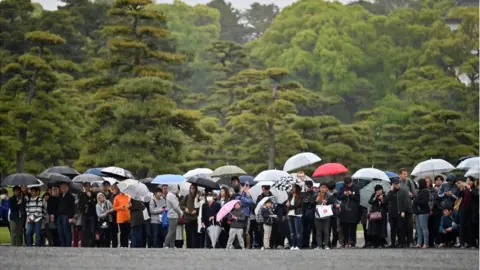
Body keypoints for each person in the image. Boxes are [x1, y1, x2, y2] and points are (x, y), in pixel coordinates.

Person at [338, 177, 360, 248]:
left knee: (353, 226)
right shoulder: (342, 188)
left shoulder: (356, 188)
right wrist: (344, 194)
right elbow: (339, 197)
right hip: (345, 209)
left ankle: (353, 242)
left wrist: (351, 194)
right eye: (347, 184)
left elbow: (358, 198)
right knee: (345, 226)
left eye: (350, 184)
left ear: (351, 182)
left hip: (353, 209)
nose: (349, 185)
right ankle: (346, 242)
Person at [231, 184, 254, 248]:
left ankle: (241, 245)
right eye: (241, 187)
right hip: (244, 216)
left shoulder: (237, 196)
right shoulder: (240, 197)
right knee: (245, 231)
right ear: (240, 189)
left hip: (239, 215)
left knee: (241, 230)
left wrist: (246, 193)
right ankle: (246, 246)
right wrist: (248, 195)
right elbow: (250, 202)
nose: (243, 188)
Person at [314, 182, 334, 250]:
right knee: (318, 231)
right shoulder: (316, 195)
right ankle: (319, 245)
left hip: (326, 215)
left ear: (327, 189)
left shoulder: (329, 196)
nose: (323, 189)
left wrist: (327, 202)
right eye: (321, 187)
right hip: (318, 215)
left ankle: (326, 245)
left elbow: (332, 203)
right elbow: (311, 204)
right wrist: (316, 200)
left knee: (326, 231)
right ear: (319, 188)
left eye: (324, 187)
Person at [398, 168, 414, 247]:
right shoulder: (397, 182)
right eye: (404, 174)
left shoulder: (409, 182)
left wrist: (411, 195)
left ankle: (410, 241)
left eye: (406, 174)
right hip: (400, 207)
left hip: (408, 206)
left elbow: (414, 193)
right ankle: (402, 242)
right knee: (401, 225)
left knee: (409, 225)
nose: (405, 176)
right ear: (400, 174)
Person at [181, 184, 201, 249]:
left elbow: (200, 206)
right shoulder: (187, 196)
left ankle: (195, 247)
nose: (192, 189)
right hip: (187, 218)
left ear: (196, 189)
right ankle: (189, 247)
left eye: (193, 188)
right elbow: (181, 205)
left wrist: (196, 210)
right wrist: (185, 208)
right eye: (191, 188)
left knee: (195, 234)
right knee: (188, 234)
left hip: (195, 218)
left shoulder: (198, 197)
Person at [78, 182, 97, 247]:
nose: (87, 187)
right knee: (84, 229)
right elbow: (80, 204)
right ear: (84, 187)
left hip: (92, 214)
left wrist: (90, 198)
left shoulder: (93, 194)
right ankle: (84, 244)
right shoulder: (81, 194)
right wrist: (83, 209)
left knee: (92, 230)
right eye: (86, 186)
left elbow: (95, 203)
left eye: (88, 186)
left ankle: (92, 244)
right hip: (85, 214)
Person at [164, 184, 183, 249]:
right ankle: (166, 244)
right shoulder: (171, 195)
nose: (178, 190)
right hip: (173, 215)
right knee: (171, 231)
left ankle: (172, 245)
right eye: (177, 188)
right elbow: (175, 206)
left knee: (173, 231)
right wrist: (180, 212)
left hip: (172, 215)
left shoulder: (171, 195)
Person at [57, 182, 75, 247]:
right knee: (60, 231)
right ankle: (62, 245)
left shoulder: (70, 196)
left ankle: (68, 245)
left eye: (64, 187)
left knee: (66, 231)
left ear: (68, 187)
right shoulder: (60, 195)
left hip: (66, 215)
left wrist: (71, 217)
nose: (63, 188)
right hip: (60, 215)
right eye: (62, 187)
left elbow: (72, 207)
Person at [414, 179, 430, 248]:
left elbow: (425, 201)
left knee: (424, 227)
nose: (418, 185)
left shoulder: (425, 191)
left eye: (419, 183)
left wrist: (416, 201)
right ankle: (419, 243)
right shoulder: (419, 191)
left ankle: (425, 243)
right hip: (418, 211)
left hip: (423, 211)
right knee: (418, 228)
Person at [287, 184, 303, 250]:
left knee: (297, 231)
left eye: (294, 187)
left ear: (297, 188)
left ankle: (298, 245)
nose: (292, 188)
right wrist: (288, 205)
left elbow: (298, 204)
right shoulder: (290, 195)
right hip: (290, 214)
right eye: (292, 187)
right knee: (292, 231)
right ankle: (293, 245)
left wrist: (290, 206)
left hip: (297, 214)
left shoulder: (300, 195)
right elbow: (288, 204)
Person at [456, 178, 472, 248]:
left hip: (470, 209)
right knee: (461, 225)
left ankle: (470, 242)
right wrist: (461, 188)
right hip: (462, 208)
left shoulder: (472, 189)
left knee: (469, 225)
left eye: (469, 180)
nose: (468, 182)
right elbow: (459, 196)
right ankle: (461, 242)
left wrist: (470, 189)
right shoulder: (463, 188)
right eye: (467, 180)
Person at [302, 180, 317, 249]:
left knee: (314, 229)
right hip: (304, 213)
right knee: (305, 229)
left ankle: (314, 243)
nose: (308, 188)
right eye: (306, 186)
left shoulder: (315, 194)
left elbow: (314, 203)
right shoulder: (303, 194)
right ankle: (305, 243)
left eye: (309, 186)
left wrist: (309, 200)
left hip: (312, 213)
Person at [430, 175, 444, 247]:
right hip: (433, 210)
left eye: (440, 180)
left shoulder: (444, 189)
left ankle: (440, 241)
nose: (438, 181)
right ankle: (434, 241)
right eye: (437, 180)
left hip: (441, 209)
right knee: (434, 226)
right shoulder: (432, 189)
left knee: (439, 225)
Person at [327, 181, 339, 248]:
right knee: (327, 230)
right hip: (328, 213)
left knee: (335, 230)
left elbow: (339, 202)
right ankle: (328, 243)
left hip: (334, 213)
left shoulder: (337, 193)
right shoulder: (326, 194)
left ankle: (334, 243)